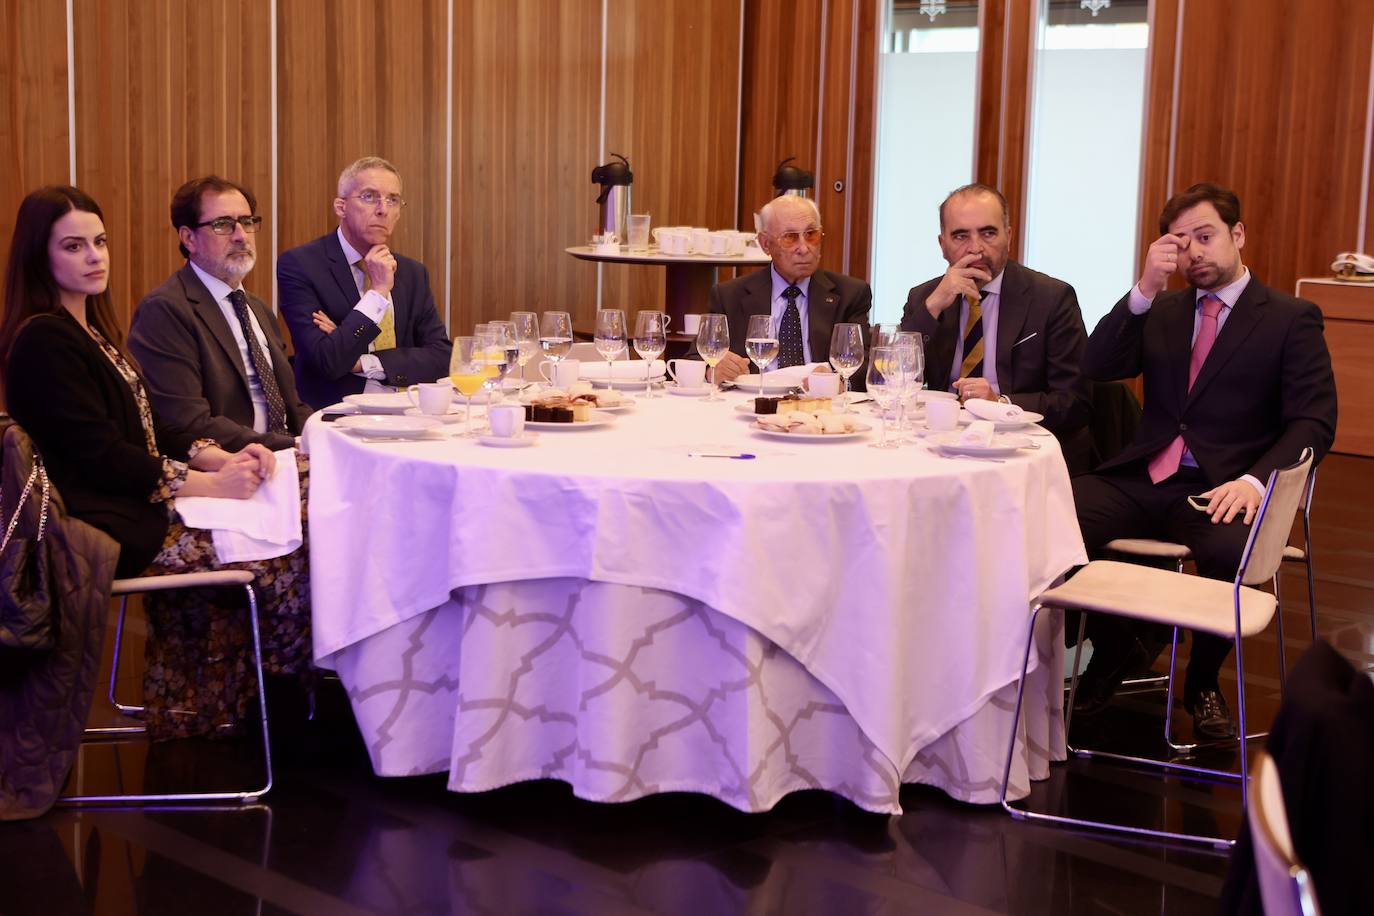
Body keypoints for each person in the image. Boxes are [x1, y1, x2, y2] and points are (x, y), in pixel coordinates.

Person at [0, 186, 313, 739]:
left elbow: (154, 428)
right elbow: (103, 458)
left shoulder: (91, 331)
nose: (94, 256)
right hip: (105, 526)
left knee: (298, 497)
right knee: (287, 545)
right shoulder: (44, 341)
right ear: (39, 256)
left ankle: (236, 702)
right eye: (73, 246)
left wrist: (220, 457)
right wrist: (209, 485)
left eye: (99, 242)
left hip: (139, 502)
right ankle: (282, 705)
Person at [1071, 182, 1337, 739]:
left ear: (1238, 234)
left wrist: (1256, 482)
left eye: (1205, 236)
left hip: (1224, 484)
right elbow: (1097, 366)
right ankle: (1118, 647)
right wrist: (1145, 288)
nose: (1193, 251)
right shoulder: (1163, 310)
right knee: (1052, 515)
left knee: (1231, 550)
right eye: (1180, 241)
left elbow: (1313, 421)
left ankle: (1203, 680)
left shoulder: (1290, 318)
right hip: (1146, 475)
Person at [899, 183, 1092, 472]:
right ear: (942, 245)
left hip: (1021, 452)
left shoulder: (1051, 298)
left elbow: (1075, 402)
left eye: (988, 233)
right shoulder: (925, 298)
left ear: (1009, 237)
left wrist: (1000, 403)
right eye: (961, 236)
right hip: (940, 446)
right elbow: (893, 379)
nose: (975, 248)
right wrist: (934, 306)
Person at [129, 176, 314, 452]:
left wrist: (322, 435)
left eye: (247, 222)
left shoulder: (258, 308)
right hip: (231, 463)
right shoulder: (165, 310)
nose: (241, 236)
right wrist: (289, 445)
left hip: (289, 455)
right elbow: (188, 422)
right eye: (223, 225)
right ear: (189, 238)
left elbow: (293, 406)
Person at [277, 156, 450, 407]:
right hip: (338, 415)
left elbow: (442, 357)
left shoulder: (413, 272)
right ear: (341, 207)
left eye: (392, 200)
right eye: (369, 197)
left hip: (409, 412)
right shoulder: (301, 265)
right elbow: (328, 361)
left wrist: (363, 362)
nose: (383, 210)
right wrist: (378, 292)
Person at [709, 195, 872, 387]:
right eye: (790, 237)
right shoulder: (730, 295)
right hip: (753, 398)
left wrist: (839, 380)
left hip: (819, 399)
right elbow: (698, 354)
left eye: (811, 234)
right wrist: (713, 369)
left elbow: (864, 361)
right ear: (765, 244)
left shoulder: (850, 294)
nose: (804, 248)